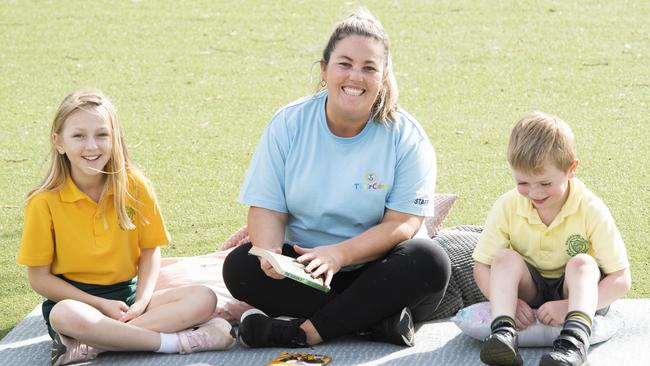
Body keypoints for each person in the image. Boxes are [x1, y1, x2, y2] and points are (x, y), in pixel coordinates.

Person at [222, 9, 451, 348]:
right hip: (306, 272)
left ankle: (303, 332)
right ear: (324, 69)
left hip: (380, 271)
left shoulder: (407, 137)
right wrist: (271, 253)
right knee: (240, 267)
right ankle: (376, 323)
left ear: (384, 75)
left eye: (369, 68)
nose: (355, 77)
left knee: (431, 262)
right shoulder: (288, 124)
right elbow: (267, 206)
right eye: (344, 64)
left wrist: (340, 255)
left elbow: (402, 224)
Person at [17, 89, 235, 366]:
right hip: (78, 302)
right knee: (65, 315)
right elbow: (39, 279)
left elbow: (149, 250)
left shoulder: (134, 185)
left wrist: (142, 300)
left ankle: (99, 345)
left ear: (115, 138)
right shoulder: (43, 201)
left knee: (203, 298)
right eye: (78, 136)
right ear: (58, 142)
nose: (92, 146)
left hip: (129, 299)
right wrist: (99, 305)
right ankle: (175, 342)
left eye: (102, 134)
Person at [472, 112, 631, 366]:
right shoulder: (508, 205)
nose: (534, 192)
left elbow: (621, 279)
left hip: (576, 292)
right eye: (522, 182)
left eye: (545, 183)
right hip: (531, 287)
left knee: (583, 264)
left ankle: (573, 344)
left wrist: (567, 306)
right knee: (502, 258)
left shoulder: (590, 208)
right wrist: (509, 302)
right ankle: (502, 333)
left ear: (572, 169)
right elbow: (482, 266)